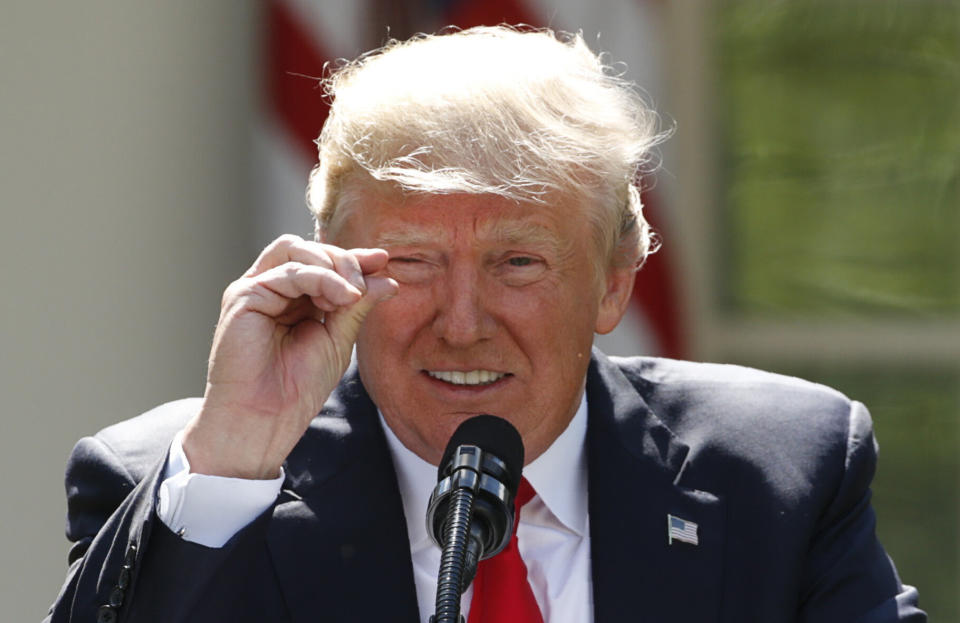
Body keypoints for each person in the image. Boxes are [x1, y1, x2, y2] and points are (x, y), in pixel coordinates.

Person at [46, 25, 925, 623]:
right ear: (332, 273)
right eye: (414, 263)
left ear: (614, 283)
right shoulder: (183, 486)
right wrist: (233, 456)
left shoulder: (780, 471)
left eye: (518, 263)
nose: (460, 325)